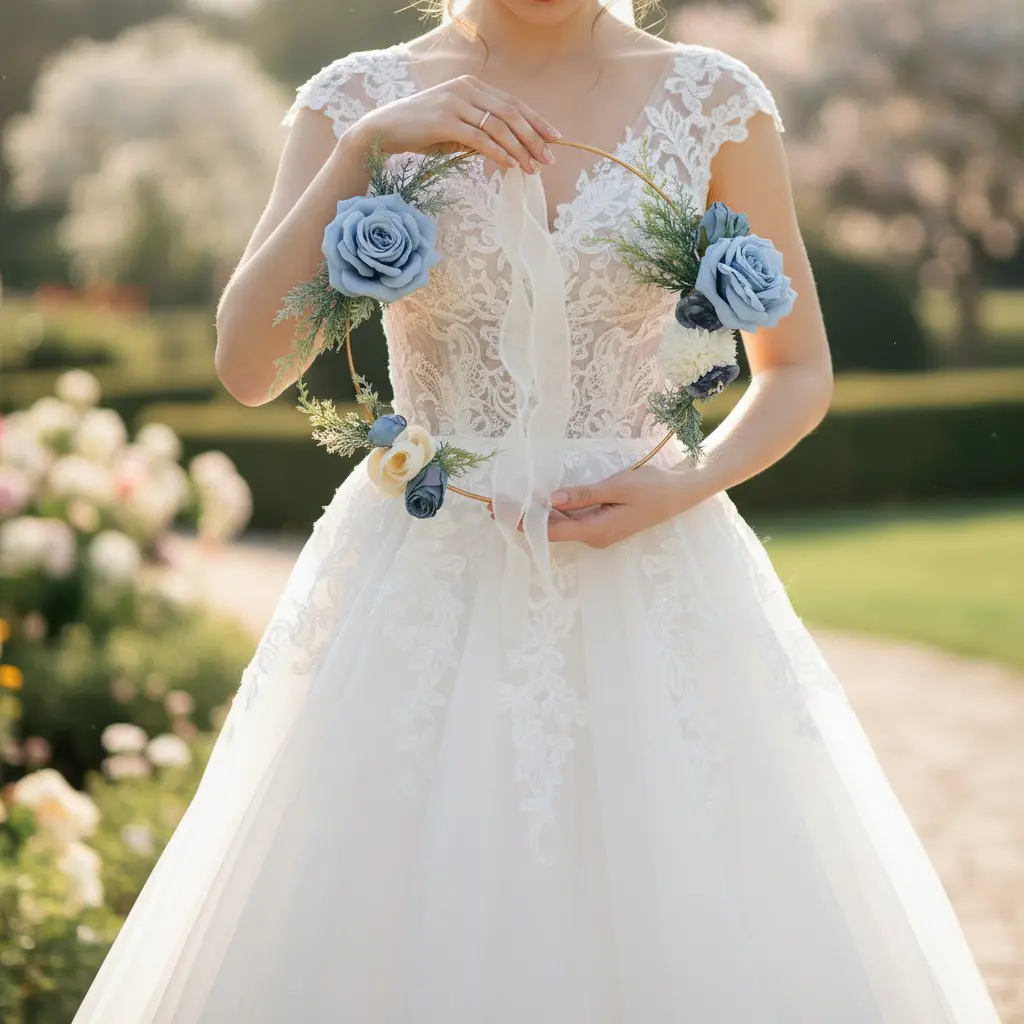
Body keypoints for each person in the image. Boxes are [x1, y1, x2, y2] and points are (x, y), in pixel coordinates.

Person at [73, 1, 1002, 1020]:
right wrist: (367, 149)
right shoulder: (360, 98)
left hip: (653, 570)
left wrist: (686, 480)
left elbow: (797, 369)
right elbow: (250, 367)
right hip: (421, 577)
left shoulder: (714, 101)